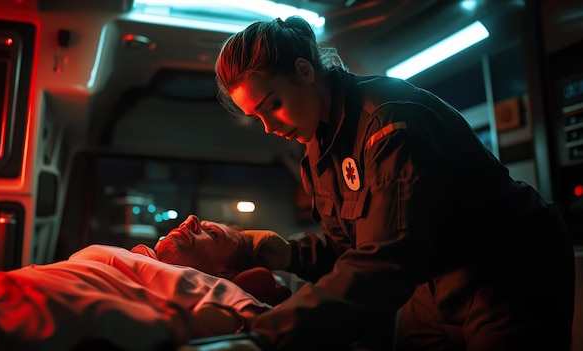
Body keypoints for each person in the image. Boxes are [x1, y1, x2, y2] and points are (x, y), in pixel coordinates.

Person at [211, 15, 576, 351]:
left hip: (508, 269)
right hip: (432, 277)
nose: (269, 127)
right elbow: (352, 252)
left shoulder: (389, 121)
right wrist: (287, 253)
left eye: (272, 105)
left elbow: (387, 260)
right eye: (256, 117)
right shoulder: (317, 154)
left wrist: (263, 339)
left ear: (305, 71)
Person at [0, 215, 290, 351]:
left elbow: (253, 317)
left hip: (7, 312)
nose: (190, 220)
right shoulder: (141, 260)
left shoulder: (209, 284)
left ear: (225, 271)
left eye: (210, 233)